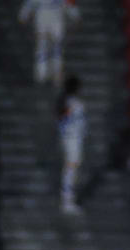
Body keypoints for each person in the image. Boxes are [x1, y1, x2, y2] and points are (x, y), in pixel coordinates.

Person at [17, 0, 77, 87]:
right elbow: (28, 5)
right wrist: (23, 16)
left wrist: (75, 14)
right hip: (42, 21)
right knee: (42, 48)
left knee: (56, 50)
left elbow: (69, 4)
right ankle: (42, 74)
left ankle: (56, 75)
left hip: (56, 21)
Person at [56, 74, 86, 214]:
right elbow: (63, 119)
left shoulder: (72, 101)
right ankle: (67, 200)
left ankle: (69, 198)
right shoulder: (69, 102)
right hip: (71, 139)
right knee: (70, 168)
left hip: (75, 138)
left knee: (72, 168)